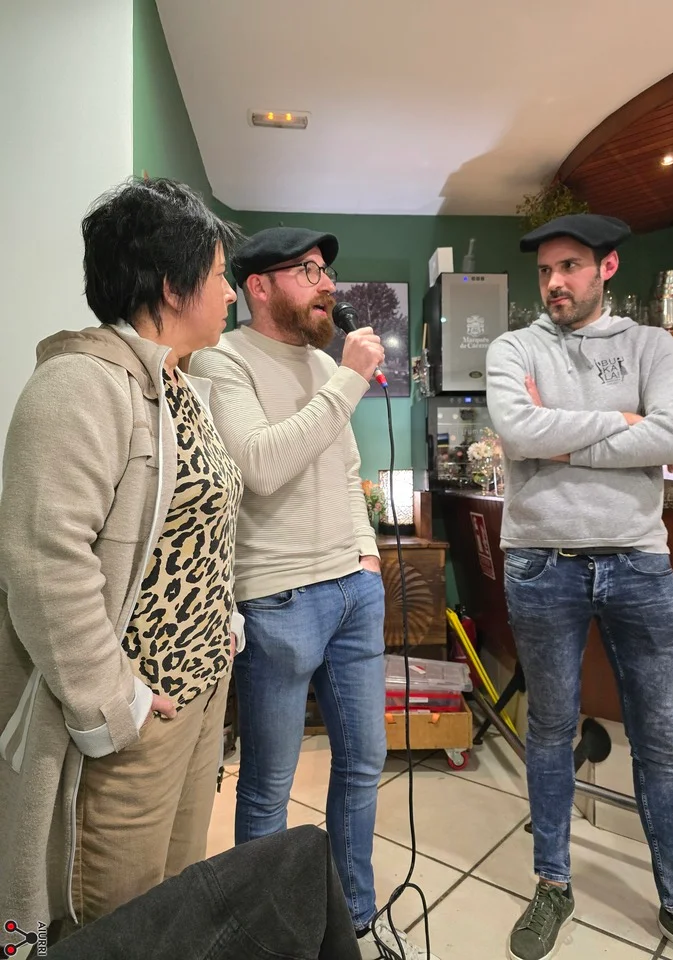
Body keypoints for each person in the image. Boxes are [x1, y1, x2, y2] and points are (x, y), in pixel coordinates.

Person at [0, 177, 245, 949]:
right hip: (135, 725)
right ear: (172, 286)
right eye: (219, 276)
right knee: (122, 925)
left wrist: (222, 621)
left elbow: (196, 526)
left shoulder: (181, 385)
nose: (230, 293)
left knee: (178, 900)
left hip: (200, 696)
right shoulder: (79, 386)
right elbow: (44, 565)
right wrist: (116, 705)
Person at [189, 227, 439, 960]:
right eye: (307, 270)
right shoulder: (223, 360)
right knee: (269, 787)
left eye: (326, 269)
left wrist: (366, 557)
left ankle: (353, 919)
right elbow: (260, 466)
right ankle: (266, 940)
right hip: (278, 599)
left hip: (353, 589)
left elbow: (344, 468)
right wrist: (348, 381)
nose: (327, 282)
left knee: (362, 764)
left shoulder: (325, 365)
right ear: (259, 286)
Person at [486, 213, 673, 960]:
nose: (555, 282)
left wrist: (563, 434)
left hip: (638, 562)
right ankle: (552, 885)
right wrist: (621, 421)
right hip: (541, 562)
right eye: (546, 271)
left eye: (570, 267)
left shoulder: (651, 345)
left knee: (659, 742)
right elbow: (519, 433)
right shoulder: (513, 347)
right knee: (551, 730)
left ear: (606, 268)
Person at [44, 826, 361, 960]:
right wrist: (116, 715)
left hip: (199, 709)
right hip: (132, 724)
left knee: (175, 887)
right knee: (126, 905)